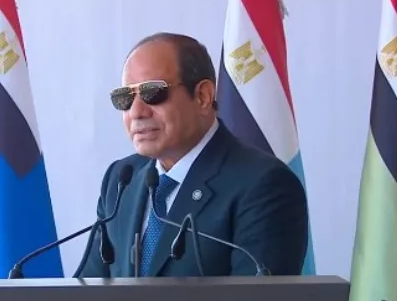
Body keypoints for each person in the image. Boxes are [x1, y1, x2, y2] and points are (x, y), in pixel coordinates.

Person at [78, 32, 309, 277]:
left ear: (203, 96)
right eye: (124, 97)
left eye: (152, 93)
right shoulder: (121, 179)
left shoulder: (263, 185)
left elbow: (255, 300)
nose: (136, 112)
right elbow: (88, 289)